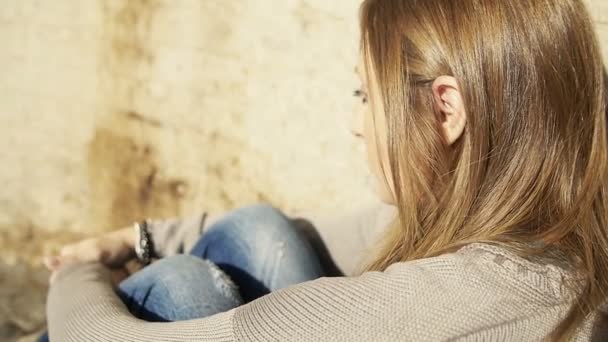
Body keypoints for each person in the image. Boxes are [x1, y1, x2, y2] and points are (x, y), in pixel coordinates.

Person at [43, 0, 608, 340]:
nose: (355, 123)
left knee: (182, 286)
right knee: (261, 231)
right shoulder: (553, 238)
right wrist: (135, 239)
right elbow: (332, 231)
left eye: (365, 92)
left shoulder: (448, 302)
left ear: (445, 109)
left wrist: (76, 271)